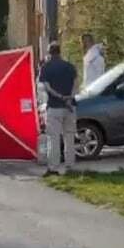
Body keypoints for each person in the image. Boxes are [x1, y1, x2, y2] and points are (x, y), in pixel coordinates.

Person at [39, 41, 78, 176]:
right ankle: (70, 166)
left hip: (54, 107)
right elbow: (75, 85)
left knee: (54, 138)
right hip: (70, 107)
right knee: (69, 137)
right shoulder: (70, 67)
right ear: (60, 52)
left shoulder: (46, 68)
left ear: (50, 53)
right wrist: (69, 98)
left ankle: (53, 168)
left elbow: (47, 87)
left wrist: (60, 97)